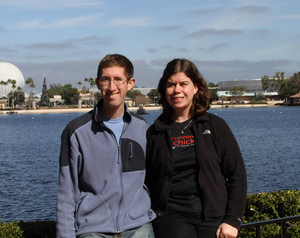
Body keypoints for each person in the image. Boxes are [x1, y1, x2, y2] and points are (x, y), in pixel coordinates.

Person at [56, 54, 155, 238]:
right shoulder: (76, 131)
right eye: (105, 80)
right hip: (93, 229)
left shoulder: (142, 127)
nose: (111, 87)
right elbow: (66, 194)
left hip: (138, 226)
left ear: (130, 83)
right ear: (97, 83)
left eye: (118, 79)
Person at [145, 58, 247, 238]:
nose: (177, 90)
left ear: (196, 87)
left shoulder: (215, 126)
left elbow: (237, 174)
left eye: (183, 84)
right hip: (172, 218)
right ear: (164, 89)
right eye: (171, 85)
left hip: (214, 216)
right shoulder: (155, 132)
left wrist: (232, 220)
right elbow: (147, 180)